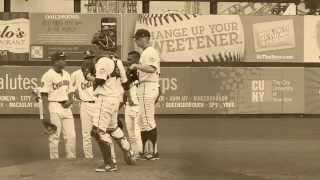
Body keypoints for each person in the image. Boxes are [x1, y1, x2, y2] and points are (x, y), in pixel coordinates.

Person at [87, 31, 136, 172]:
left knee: (97, 131)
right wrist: (129, 98)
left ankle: (110, 163)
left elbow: (100, 81)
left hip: (105, 99)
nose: (95, 48)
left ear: (101, 45)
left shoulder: (102, 61)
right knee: (112, 128)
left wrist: (88, 77)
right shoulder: (117, 61)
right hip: (115, 99)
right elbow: (126, 84)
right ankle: (129, 151)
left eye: (95, 45)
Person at [130, 29, 161, 160]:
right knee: (143, 121)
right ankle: (146, 151)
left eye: (137, 39)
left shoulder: (150, 52)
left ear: (143, 38)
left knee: (148, 121)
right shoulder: (146, 52)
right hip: (145, 87)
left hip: (148, 86)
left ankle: (153, 152)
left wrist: (136, 66)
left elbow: (152, 68)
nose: (136, 42)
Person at [39, 52, 76, 159]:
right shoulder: (48, 75)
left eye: (64, 59)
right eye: (62, 59)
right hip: (54, 106)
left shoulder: (67, 74)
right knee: (54, 136)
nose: (65, 61)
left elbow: (71, 90)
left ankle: (71, 159)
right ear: (55, 62)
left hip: (67, 107)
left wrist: (70, 100)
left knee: (71, 136)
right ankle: (54, 161)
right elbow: (44, 95)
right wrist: (46, 113)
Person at [70, 51, 96, 159]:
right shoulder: (76, 74)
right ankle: (89, 157)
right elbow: (70, 88)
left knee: (104, 131)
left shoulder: (98, 71)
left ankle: (109, 156)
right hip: (85, 105)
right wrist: (78, 96)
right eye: (86, 58)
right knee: (86, 134)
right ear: (83, 60)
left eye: (90, 58)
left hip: (98, 104)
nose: (88, 60)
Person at [123, 51, 143, 158]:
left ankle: (139, 153)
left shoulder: (143, 72)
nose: (127, 61)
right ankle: (135, 154)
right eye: (128, 59)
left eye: (130, 59)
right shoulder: (127, 73)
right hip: (128, 107)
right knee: (130, 134)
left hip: (138, 107)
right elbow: (125, 90)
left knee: (137, 132)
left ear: (136, 60)